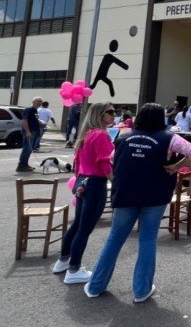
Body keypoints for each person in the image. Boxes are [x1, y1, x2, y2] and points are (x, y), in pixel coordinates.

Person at [84, 103, 191, 302]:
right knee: (147, 239)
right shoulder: (168, 137)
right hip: (155, 194)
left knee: (114, 238)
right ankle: (141, 290)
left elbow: (112, 160)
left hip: (126, 193)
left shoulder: (123, 138)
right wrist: (175, 166)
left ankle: (95, 285)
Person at [52, 102, 116, 284]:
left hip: (82, 181)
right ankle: (74, 269)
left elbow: (78, 163)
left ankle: (63, 260)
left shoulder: (86, 135)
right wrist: (115, 182)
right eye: (110, 112)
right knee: (85, 228)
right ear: (100, 114)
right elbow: (105, 163)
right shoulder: (101, 135)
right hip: (95, 183)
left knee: (78, 225)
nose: (114, 115)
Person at [17, 96, 43, 172]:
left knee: (30, 149)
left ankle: (25, 164)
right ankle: (21, 165)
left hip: (35, 132)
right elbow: (24, 121)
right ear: (33, 102)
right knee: (27, 149)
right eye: (37, 101)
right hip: (30, 132)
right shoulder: (28, 109)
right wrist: (27, 132)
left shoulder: (36, 111)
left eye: (40, 101)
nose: (39, 103)